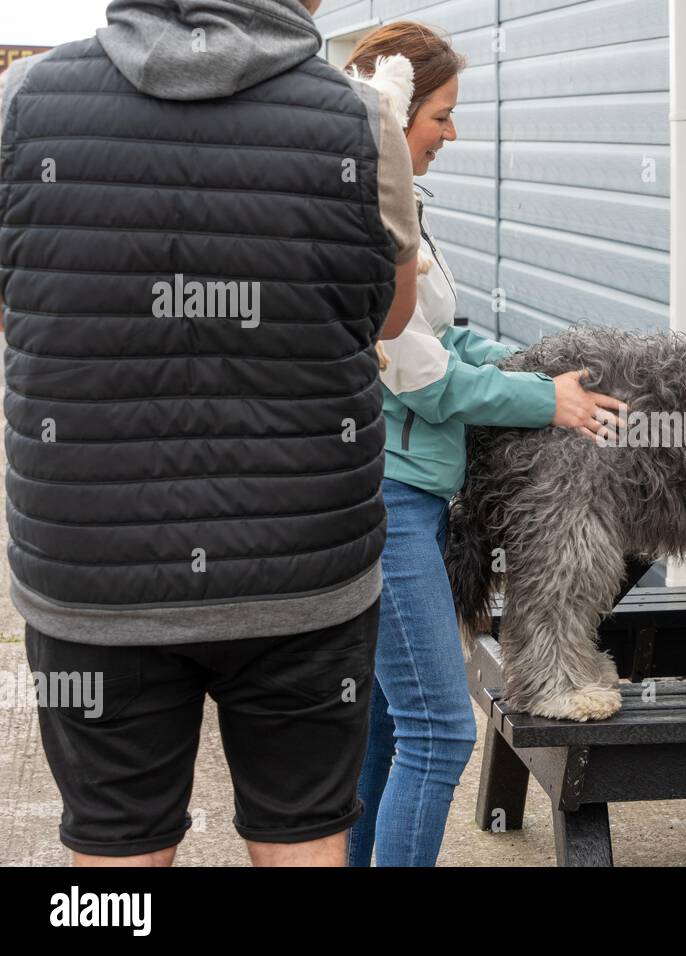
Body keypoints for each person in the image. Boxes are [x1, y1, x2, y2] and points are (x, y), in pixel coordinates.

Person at [0, 0, 420, 866]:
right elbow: (387, 316)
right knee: (302, 837)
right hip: (302, 564)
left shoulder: (23, 99)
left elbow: (20, 308)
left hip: (94, 573)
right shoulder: (359, 115)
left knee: (116, 851)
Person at [340, 23, 626, 867]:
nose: (452, 134)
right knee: (438, 731)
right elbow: (420, 378)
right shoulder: (365, 219)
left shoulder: (403, 212)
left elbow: (446, 341)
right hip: (385, 503)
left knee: (386, 726)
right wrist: (548, 401)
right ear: (394, 117)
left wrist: (528, 363)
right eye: (442, 115)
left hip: (410, 498)